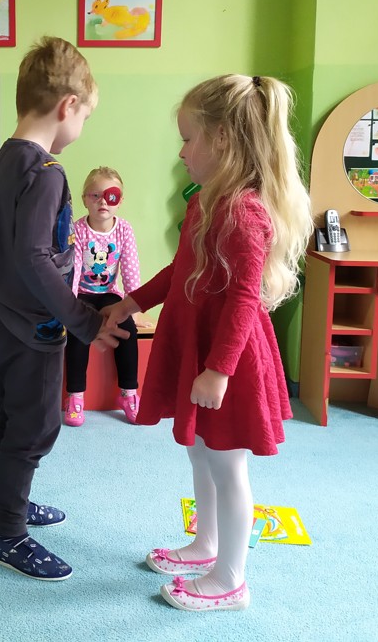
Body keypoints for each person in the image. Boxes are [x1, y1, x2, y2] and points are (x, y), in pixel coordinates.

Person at [104, 74, 312, 611]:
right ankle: (206, 545)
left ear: (222, 139)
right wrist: (131, 303)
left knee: (227, 465)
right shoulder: (206, 202)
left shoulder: (244, 212)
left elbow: (244, 297)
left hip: (229, 358)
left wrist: (218, 369)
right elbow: (181, 269)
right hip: (202, 348)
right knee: (200, 453)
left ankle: (231, 579)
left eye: (187, 138)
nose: (181, 151)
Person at [0, 37, 128, 581]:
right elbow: (34, 257)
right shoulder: (46, 172)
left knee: (13, 418)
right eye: (85, 116)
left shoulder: (5, 160)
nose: (81, 125)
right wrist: (84, 321)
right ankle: (8, 533)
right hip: (29, 327)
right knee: (36, 427)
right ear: (68, 106)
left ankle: (5, 506)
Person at [64, 166, 151, 426]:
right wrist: (68, 311)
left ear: (119, 201)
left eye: (111, 196)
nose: (103, 202)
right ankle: (75, 396)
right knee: (78, 333)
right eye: (96, 195)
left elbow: (131, 270)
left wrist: (134, 310)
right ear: (85, 199)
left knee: (126, 329)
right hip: (82, 294)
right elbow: (73, 270)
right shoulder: (78, 230)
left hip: (110, 294)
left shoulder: (123, 230)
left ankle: (129, 393)